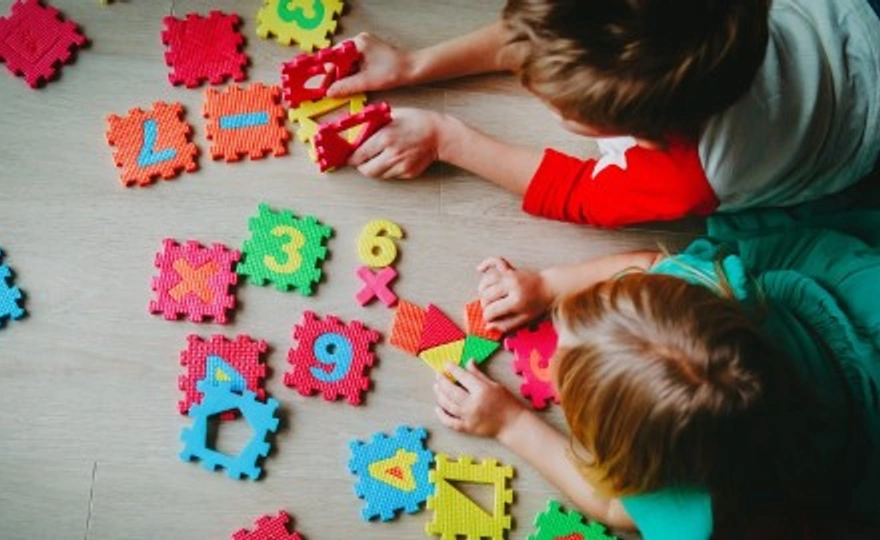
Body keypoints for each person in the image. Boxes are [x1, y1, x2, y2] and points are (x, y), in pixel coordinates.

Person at [431, 209, 880, 538]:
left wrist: (510, 422)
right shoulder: (702, 289)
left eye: (562, 368)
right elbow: (647, 267)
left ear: (630, 460)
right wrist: (548, 286)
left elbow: (610, 505)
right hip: (850, 309)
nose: (551, 350)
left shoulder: (691, 509)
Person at [328, 0, 880, 228]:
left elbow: (582, 193)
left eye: (551, 99)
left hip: (855, 138)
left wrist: (447, 138)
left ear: (635, 132)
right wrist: (413, 63)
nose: (524, 76)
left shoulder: (688, 175)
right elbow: (548, 33)